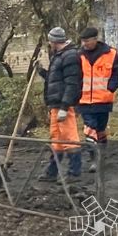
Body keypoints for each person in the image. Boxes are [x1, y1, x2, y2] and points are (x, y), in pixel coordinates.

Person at [37, 26, 82, 180]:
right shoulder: (59, 55)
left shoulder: (70, 56)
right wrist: (42, 72)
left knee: (70, 138)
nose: (49, 43)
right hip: (56, 104)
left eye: (50, 41)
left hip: (64, 105)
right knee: (56, 139)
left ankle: (74, 172)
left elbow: (72, 83)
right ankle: (52, 172)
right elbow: (56, 80)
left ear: (54, 41)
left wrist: (65, 107)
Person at [76, 27, 118, 147]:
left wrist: (111, 88)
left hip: (103, 100)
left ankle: (102, 149)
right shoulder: (78, 55)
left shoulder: (111, 54)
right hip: (84, 100)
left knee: (101, 128)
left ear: (95, 39)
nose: (84, 44)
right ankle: (93, 153)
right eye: (83, 41)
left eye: (87, 41)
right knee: (90, 126)